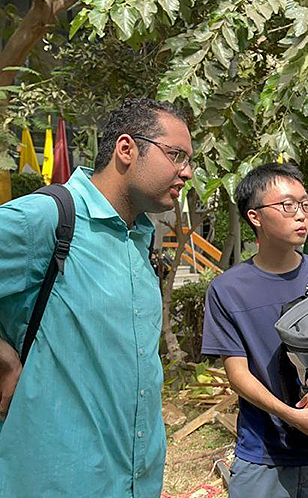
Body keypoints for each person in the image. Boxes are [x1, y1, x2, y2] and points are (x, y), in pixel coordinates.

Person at [0, 98, 193, 497]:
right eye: (176, 156)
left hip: (136, 481)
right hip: (54, 481)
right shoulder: (49, 218)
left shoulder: (140, 239)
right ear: (127, 149)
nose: (187, 172)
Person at [201, 162, 308, 498]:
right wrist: (291, 416)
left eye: (304, 204)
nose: (301, 214)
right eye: (287, 205)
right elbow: (237, 374)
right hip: (263, 457)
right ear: (255, 217)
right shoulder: (227, 290)